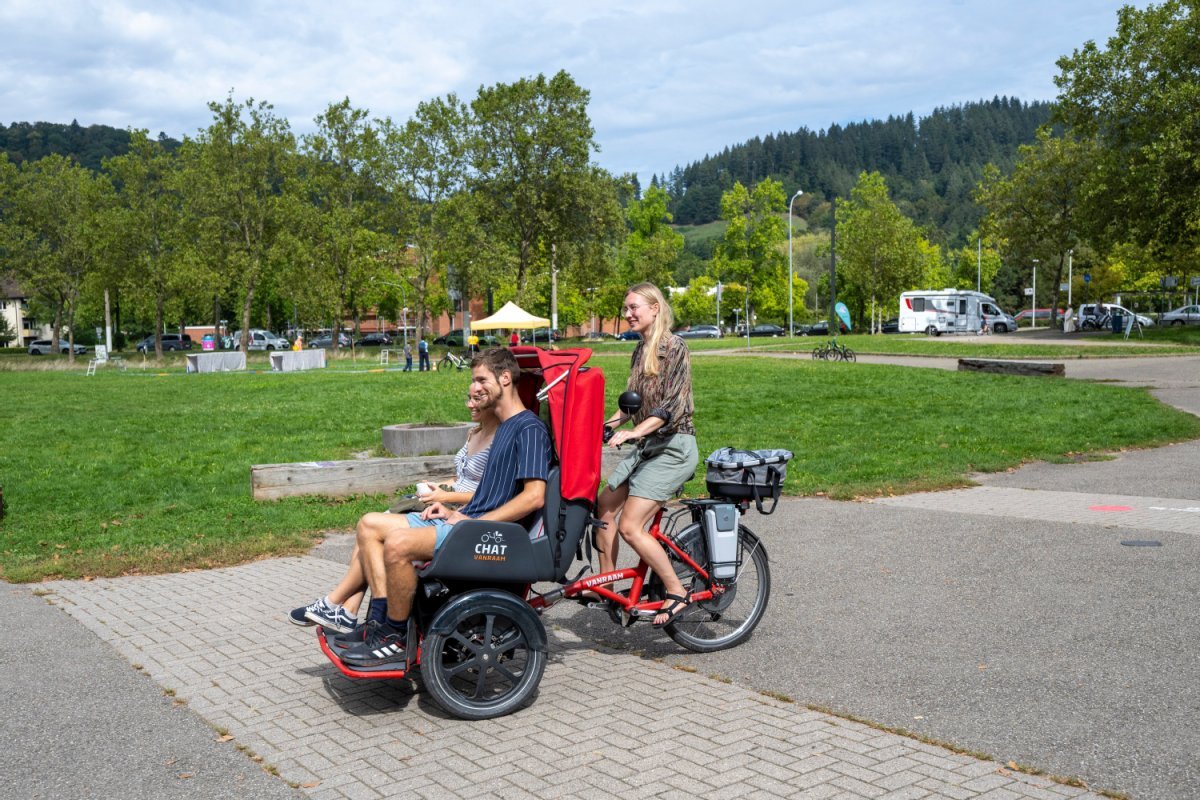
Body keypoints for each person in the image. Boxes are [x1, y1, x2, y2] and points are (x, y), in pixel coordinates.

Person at [339, 348, 552, 667]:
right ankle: (380, 626)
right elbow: (488, 493)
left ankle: (395, 640)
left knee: (397, 545)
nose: (475, 387)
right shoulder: (504, 426)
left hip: (488, 535)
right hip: (470, 523)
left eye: (482, 379)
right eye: (473, 379)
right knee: (369, 526)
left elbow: (534, 496)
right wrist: (455, 512)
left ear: (505, 378)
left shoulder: (529, 428)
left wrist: (469, 523)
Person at [288, 391, 498, 632]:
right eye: (468, 398)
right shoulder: (474, 432)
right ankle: (347, 611)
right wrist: (439, 485)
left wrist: (445, 496)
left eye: (476, 399)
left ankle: (339, 604)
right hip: (445, 504)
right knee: (366, 531)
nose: (470, 404)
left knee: (370, 527)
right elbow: (463, 478)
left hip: (458, 511)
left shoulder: (498, 439)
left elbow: (486, 492)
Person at [594, 282, 698, 627]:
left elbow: (672, 406)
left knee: (630, 526)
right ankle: (606, 585)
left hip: (675, 447)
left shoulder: (676, 348)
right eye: (626, 309)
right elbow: (630, 405)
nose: (627, 314)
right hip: (648, 447)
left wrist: (635, 432)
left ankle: (676, 589)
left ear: (655, 308)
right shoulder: (640, 352)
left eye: (633, 307)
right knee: (604, 506)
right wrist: (599, 428)